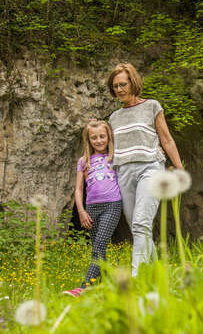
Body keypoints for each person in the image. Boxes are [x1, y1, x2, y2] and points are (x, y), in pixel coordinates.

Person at [107, 63, 183, 277]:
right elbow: (112, 149)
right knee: (138, 228)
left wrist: (179, 169)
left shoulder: (152, 106)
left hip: (150, 167)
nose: (119, 89)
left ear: (133, 83)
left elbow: (166, 139)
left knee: (141, 222)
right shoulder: (114, 118)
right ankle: (158, 275)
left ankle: (136, 277)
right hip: (124, 172)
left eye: (123, 84)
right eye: (115, 86)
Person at [64, 120, 122, 297]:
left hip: (112, 205)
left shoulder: (116, 157)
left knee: (98, 247)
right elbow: (78, 189)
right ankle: (106, 287)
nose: (98, 141)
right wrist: (81, 211)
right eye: (94, 138)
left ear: (108, 137)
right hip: (91, 208)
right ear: (88, 140)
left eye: (102, 136)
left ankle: (83, 288)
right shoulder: (84, 161)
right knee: (99, 250)